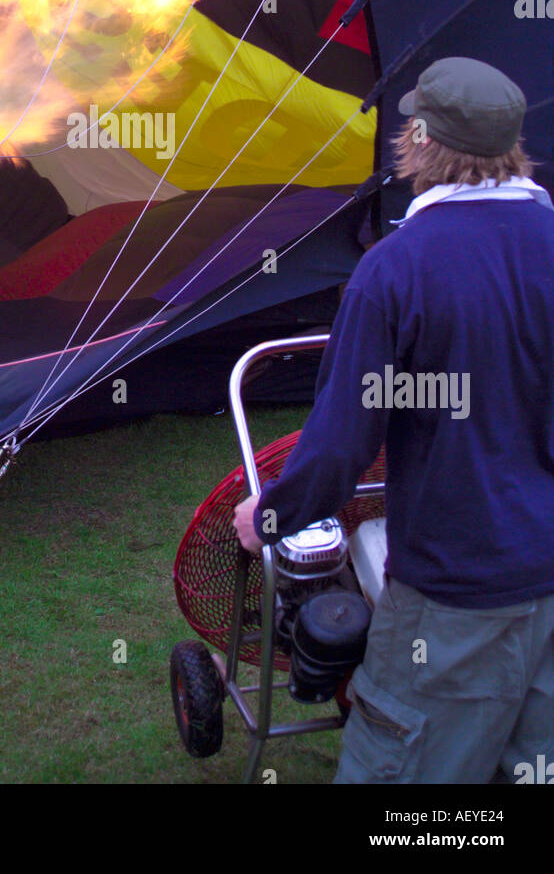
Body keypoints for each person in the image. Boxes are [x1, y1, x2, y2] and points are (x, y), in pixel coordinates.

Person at [233, 56, 554, 783]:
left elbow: (344, 441)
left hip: (456, 590)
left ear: (420, 140)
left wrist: (274, 515)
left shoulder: (395, 269)